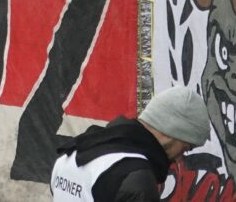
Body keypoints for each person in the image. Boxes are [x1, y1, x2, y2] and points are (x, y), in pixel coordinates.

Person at [49, 85, 210, 202]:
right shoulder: (136, 178)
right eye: (186, 148)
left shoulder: (70, 155)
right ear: (172, 133)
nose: (179, 159)